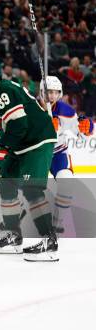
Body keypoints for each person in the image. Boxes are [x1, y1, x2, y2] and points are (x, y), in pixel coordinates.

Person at [0, 56, 58, 261]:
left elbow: (19, 126)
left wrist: (0, 150)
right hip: (22, 144)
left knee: (31, 188)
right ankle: (14, 236)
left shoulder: (2, 90)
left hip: (36, 141)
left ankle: (49, 242)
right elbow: (11, 130)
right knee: (6, 185)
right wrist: (0, 155)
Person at [40, 76, 93, 233]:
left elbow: (81, 134)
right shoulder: (31, 109)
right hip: (37, 155)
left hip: (58, 154)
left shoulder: (66, 111)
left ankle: (58, 221)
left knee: (67, 182)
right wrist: (45, 128)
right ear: (42, 92)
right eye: (49, 92)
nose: (52, 96)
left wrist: (87, 128)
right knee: (27, 187)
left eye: (56, 92)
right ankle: (17, 218)